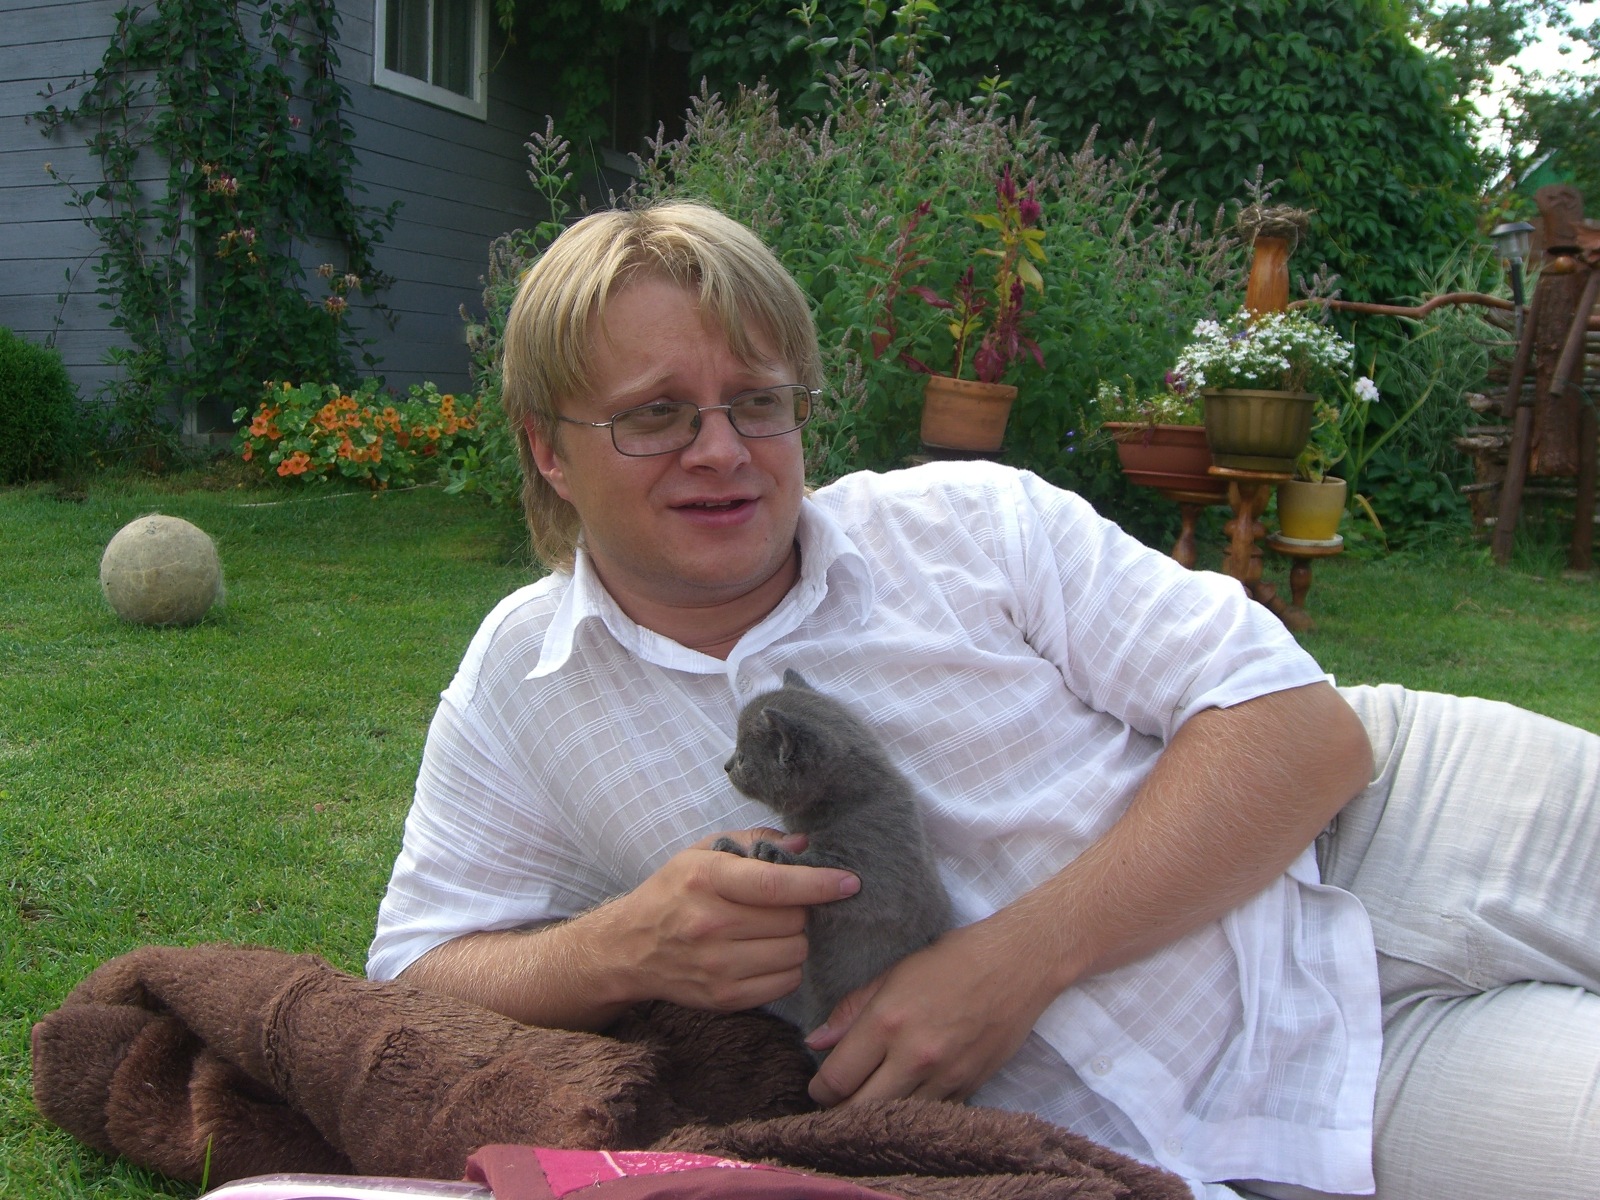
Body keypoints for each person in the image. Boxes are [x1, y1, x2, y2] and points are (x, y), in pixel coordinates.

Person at [368, 201, 1600, 1200]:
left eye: (758, 401)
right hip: (1299, 1078)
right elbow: (418, 973)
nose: (724, 450)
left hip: (1405, 829)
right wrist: (619, 947)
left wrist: (1010, 963)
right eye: (655, 415)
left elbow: (1298, 729)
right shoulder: (525, 686)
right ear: (547, 446)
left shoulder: (965, 520)